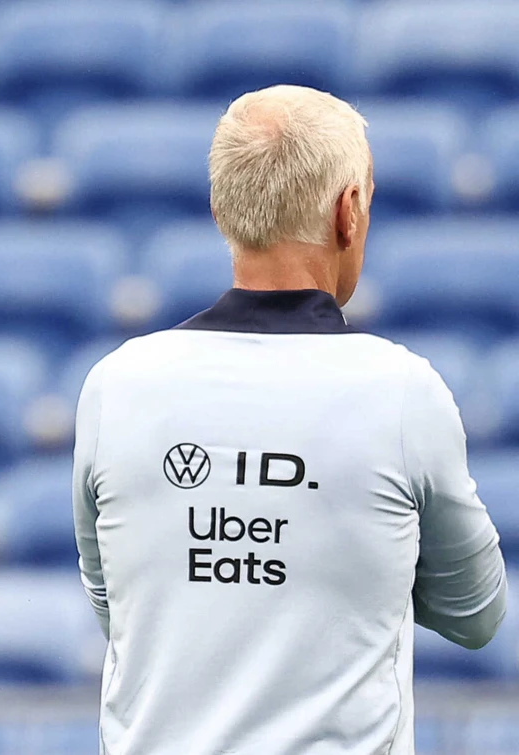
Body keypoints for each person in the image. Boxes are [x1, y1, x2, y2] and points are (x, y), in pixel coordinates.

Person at [73, 84, 507, 755]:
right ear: (350, 211)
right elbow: (477, 612)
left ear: (222, 207)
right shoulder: (401, 392)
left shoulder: (116, 385)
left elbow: (119, 608)